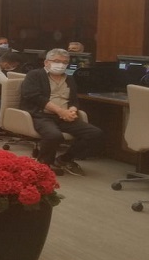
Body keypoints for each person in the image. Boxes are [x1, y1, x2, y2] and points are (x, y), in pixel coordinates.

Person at [20, 48, 103, 176]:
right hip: (42, 115)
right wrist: (60, 111)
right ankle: (44, 164)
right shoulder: (34, 75)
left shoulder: (69, 78)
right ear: (46, 62)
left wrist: (72, 110)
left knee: (94, 133)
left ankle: (65, 159)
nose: (61, 65)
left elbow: (74, 100)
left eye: (65, 62)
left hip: (64, 117)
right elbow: (34, 97)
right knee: (54, 135)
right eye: (57, 61)